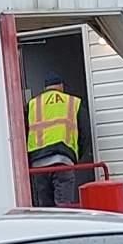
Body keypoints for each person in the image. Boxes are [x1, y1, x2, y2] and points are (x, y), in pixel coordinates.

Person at [25, 75, 84, 207]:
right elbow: (84, 133)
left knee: (46, 210)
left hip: (38, 164)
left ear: (45, 88)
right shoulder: (72, 102)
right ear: (61, 86)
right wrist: (75, 156)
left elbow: (23, 132)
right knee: (64, 207)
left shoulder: (33, 104)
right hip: (63, 160)